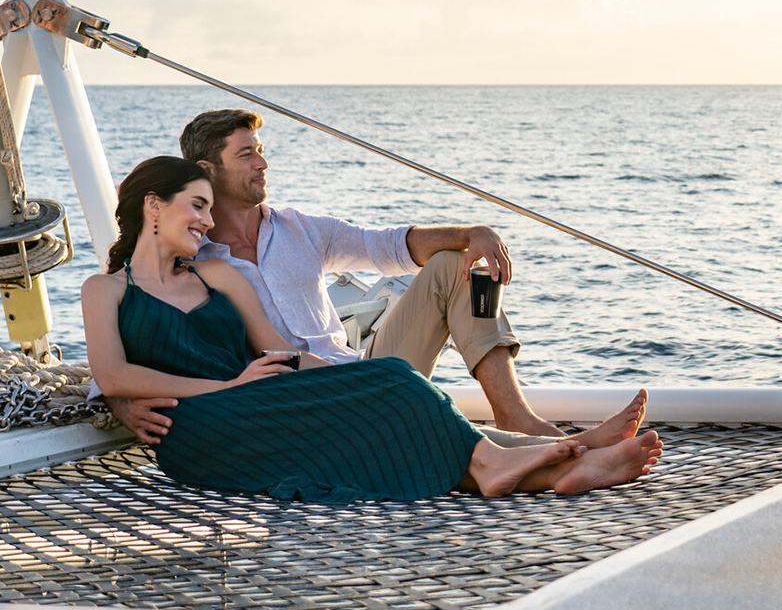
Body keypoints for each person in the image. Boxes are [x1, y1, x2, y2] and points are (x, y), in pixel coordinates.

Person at [82, 156, 662, 501]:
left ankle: (556, 459)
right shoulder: (103, 290)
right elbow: (111, 374)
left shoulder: (220, 270)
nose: (205, 221)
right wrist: (193, 394)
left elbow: (279, 354)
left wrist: (336, 382)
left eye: (210, 209)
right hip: (205, 429)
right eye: (196, 206)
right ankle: (565, 454)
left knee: (390, 388)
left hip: (272, 395)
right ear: (153, 206)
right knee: (396, 400)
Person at [106, 107, 586, 446]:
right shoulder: (190, 256)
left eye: (261, 151)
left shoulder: (300, 229)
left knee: (450, 264)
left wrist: (471, 232)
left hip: (361, 368)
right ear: (206, 170)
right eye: (247, 155)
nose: (262, 163)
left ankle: (515, 414)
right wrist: (122, 407)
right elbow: (134, 331)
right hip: (292, 398)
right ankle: (541, 451)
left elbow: (386, 246)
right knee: (427, 427)